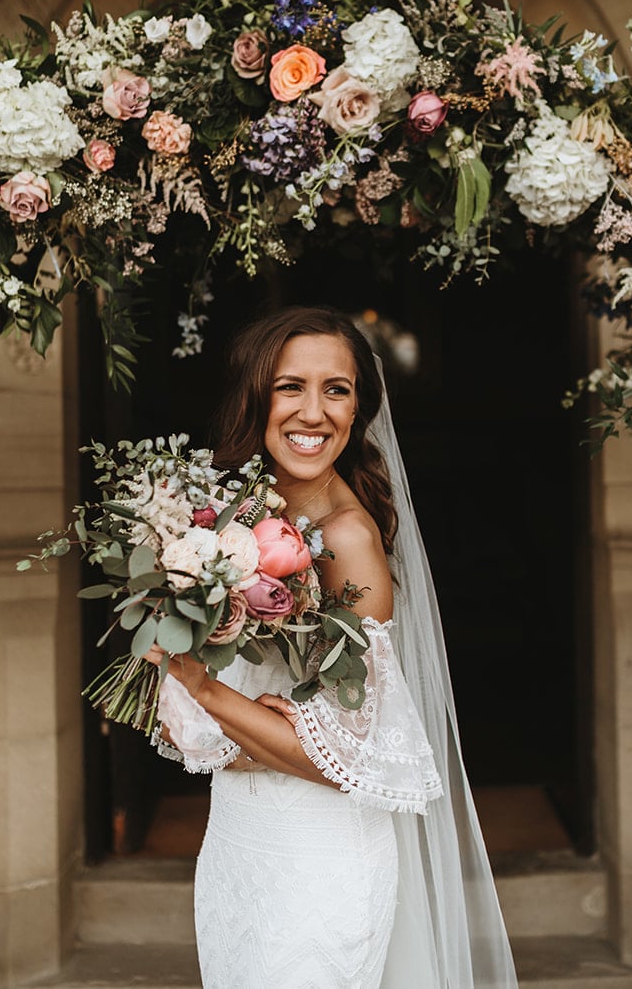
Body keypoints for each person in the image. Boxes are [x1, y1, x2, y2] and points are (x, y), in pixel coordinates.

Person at [148, 305, 518, 988]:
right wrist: (183, 660)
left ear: (358, 411)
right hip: (238, 846)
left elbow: (352, 758)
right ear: (255, 396)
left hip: (319, 857)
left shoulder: (347, 540)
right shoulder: (223, 520)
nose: (312, 412)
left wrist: (205, 687)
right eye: (290, 386)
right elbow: (190, 725)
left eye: (336, 389)